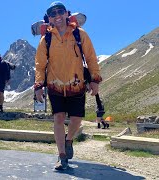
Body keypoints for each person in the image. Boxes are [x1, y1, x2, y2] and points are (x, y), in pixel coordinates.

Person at [34, 1, 102, 170]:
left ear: (66, 14)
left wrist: (94, 79)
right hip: (54, 85)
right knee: (58, 118)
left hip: (76, 84)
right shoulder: (46, 39)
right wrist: (38, 85)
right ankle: (61, 155)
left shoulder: (80, 34)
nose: (57, 15)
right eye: (52, 13)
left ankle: (69, 139)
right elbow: (40, 65)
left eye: (60, 12)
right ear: (49, 18)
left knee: (77, 119)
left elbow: (91, 57)